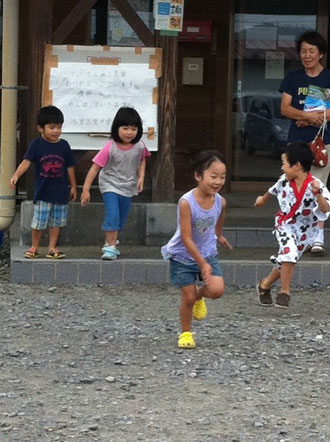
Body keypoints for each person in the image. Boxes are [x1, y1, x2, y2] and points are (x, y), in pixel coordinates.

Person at [161, 150, 233, 349]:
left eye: (222, 177)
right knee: (188, 297)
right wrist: (202, 264)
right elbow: (186, 237)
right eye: (213, 176)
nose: (218, 181)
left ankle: (201, 296)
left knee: (217, 290)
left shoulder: (220, 200)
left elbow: (220, 215)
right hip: (183, 256)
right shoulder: (186, 202)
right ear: (198, 176)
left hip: (209, 253)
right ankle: (185, 333)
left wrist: (218, 234)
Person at [255, 143, 330, 309]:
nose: (282, 168)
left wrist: (317, 194)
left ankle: (264, 285)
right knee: (289, 253)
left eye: (284, 164)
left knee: (287, 260)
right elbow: (272, 190)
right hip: (285, 224)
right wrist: (263, 199)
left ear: (297, 166)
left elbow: (325, 208)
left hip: (304, 230)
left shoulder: (316, 185)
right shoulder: (284, 181)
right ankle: (285, 292)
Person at [279, 30, 330, 255]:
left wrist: (315, 116)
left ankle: (317, 236)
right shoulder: (293, 78)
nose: (307, 55)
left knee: (318, 187)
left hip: (323, 142)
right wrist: (307, 116)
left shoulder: (328, 77)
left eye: (312, 51)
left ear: (321, 54)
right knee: (296, 187)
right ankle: (299, 234)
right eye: (303, 51)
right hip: (296, 143)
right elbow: (285, 108)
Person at [81, 107, 150, 260]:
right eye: (125, 128)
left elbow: (143, 159)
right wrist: (86, 190)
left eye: (134, 128)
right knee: (113, 215)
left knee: (121, 219)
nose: (129, 132)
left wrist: (141, 177)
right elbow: (94, 168)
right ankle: (111, 248)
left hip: (128, 186)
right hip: (109, 184)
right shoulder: (109, 147)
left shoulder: (140, 146)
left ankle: (109, 242)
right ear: (116, 128)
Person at [10, 106, 77, 259]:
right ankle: (34, 246)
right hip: (42, 192)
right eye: (52, 127)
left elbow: (70, 167)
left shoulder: (64, 145)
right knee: (39, 222)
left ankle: (52, 247)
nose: (56, 131)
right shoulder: (36, 145)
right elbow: (26, 162)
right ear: (41, 128)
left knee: (56, 222)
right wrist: (16, 175)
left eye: (59, 127)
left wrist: (73, 186)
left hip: (60, 193)